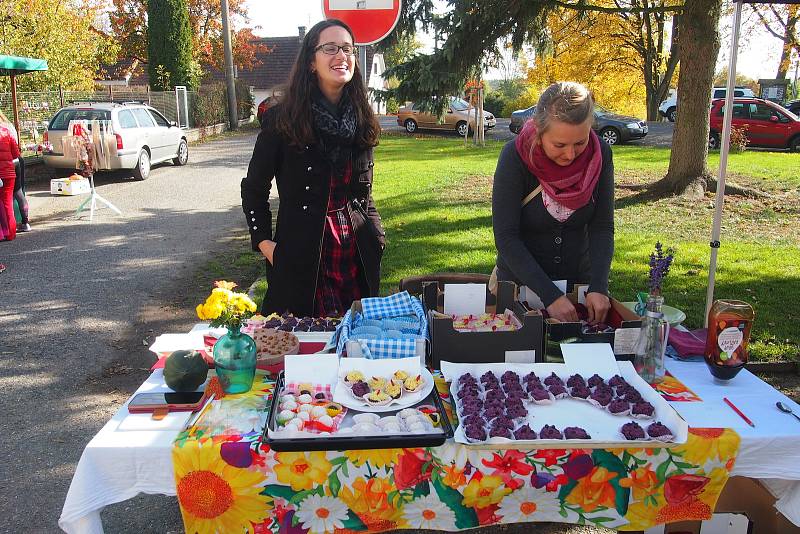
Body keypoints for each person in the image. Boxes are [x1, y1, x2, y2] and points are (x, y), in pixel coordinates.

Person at [241, 19, 385, 317]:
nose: (341, 55)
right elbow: (254, 188)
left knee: (353, 344)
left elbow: (364, 195)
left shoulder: (361, 120)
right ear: (310, 61)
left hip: (355, 254)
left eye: (347, 48)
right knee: (300, 346)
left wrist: (376, 235)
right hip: (300, 255)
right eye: (330, 48)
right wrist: (265, 244)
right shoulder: (283, 120)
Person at [492, 81, 614, 324]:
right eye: (559, 145)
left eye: (580, 143)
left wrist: (599, 286)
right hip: (519, 290)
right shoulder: (514, 157)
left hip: (579, 288)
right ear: (539, 130)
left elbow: (602, 227)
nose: (570, 155)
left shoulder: (600, 155)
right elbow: (506, 237)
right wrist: (550, 295)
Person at [0, 110, 20, 242]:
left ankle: (2, 233)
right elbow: (16, 153)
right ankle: (11, 233)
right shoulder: (6, 132)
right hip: (9, 173)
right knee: (8, 204)